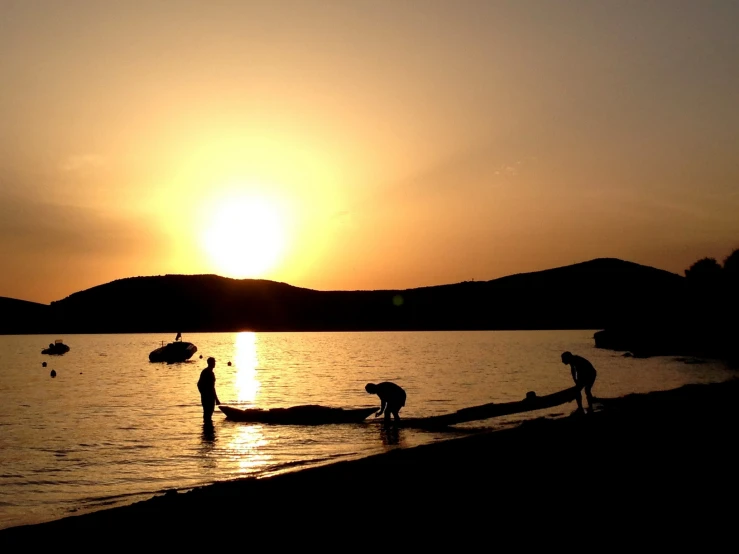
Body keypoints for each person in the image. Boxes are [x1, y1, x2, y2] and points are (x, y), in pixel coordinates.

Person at [197, 357, 221, 421]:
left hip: (205, 397)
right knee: (208, 414)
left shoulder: (204, 371)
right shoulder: (210, 373)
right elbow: (212, 387)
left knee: (206, 414)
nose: (214, 363)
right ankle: (208, 429)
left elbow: (198, 384)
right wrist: (216, 399)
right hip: (209, 398)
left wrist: (202, 393)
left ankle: (206, 428)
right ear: (210, 363)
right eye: (214, 362)